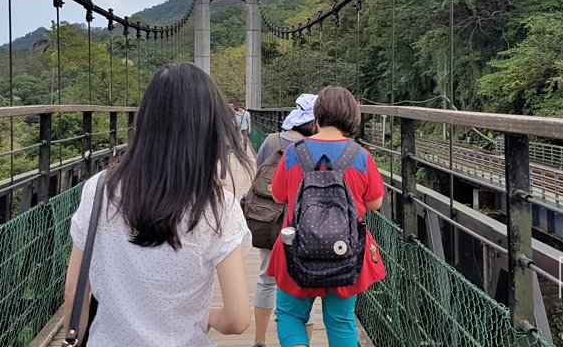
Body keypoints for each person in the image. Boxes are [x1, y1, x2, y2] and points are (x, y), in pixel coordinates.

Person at [64, 63, 253, 346]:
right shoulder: (218, 207)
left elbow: (75, 291)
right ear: (211, 126)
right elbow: (238, 320)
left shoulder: (100, 189)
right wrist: (208, 318)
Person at [268, 86, 387, 347]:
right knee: (341, 320)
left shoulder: (293, 153)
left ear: (316, 117)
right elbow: (375, 202)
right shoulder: (361, 155)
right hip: (346, 250)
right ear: (351, 118)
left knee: (290, 315)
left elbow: (278, 196)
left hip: (296, 249)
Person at [250, 93, 318, 347]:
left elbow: (259, 173)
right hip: (303, 223)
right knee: (304, 283)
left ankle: (259, 341)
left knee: (266, 278)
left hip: (269, 219)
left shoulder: (271, 140)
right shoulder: (317, 148)